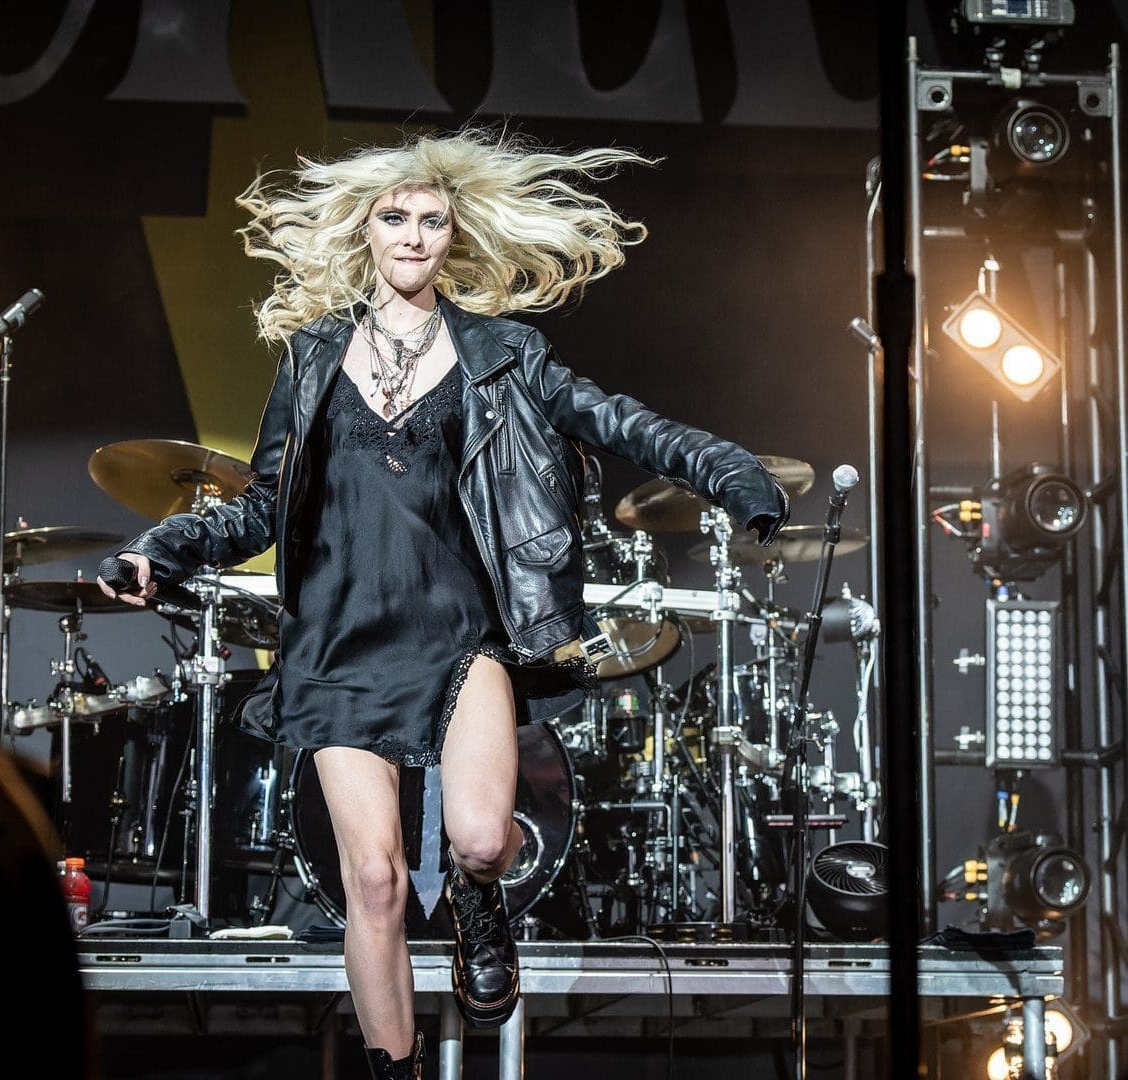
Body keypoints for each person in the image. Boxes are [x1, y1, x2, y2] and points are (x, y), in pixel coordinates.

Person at [100, 128, 789, 1080]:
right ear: (367, 231)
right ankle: (397, 1072)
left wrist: (730, 471)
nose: (414, 235)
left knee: (480, 840)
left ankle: (479, 899)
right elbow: (262, 503)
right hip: (339, 643)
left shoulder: (503, 352)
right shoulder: (314, 354)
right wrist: (161, 546)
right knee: (374, 882)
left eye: (432, 220)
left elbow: (617, 419)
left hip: (462, 635)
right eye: (396, 218)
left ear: (453, 236)